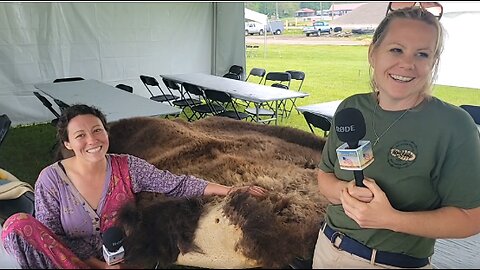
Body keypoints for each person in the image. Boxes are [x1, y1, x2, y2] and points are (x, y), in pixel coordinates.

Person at [313, 3, 480, 269]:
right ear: (373, 53)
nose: (407, 64)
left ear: (433, 62)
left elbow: (471, 218)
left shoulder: (454, 126)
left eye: (422, 54)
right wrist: (344, 191)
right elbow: (325, 175)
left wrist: (390, 219)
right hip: (327, 250)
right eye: (396, 49)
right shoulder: (351, 108)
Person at [1, 104, 267, 269]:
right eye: (80, 135)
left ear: (106, 133)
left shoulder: (127, 166)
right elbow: (51, 236)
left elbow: (175, 185)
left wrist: (229, 190)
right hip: (70, 260)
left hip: (122, 258)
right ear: (68, 143)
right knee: (16, 225)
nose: (92, 140)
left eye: (97, 130)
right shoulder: (51, 178)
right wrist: (95, 265)